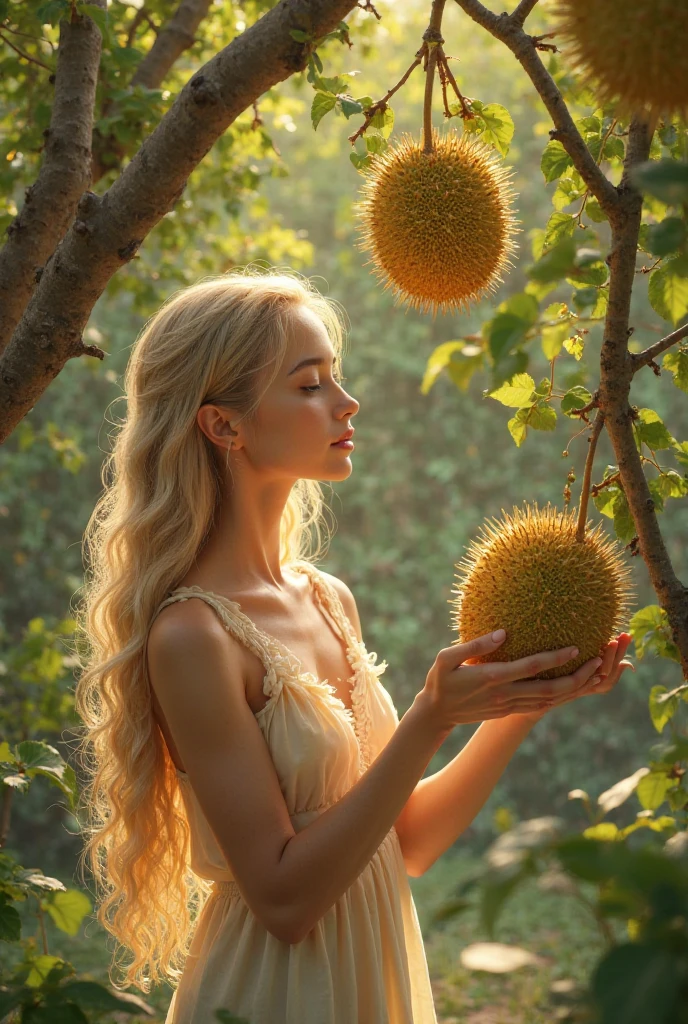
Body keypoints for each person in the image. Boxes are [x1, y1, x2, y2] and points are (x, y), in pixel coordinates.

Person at [73, 266, 634, 1024]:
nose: (347, 402)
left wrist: (520, 705)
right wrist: (428, 719)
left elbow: (405, 844)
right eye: (310, 385)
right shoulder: (192, 634)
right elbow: (284, 899)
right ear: (224, 425)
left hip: (378, 976)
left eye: (335, 377)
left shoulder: (328, 599)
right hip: (276, 992)